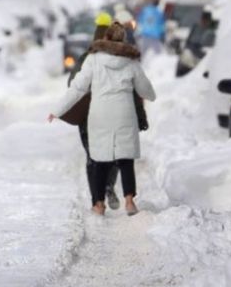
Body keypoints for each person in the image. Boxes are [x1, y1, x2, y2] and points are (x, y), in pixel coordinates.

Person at [49, 22, 156, 216]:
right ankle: (130, 201)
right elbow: (145, 89)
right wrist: (152, 95)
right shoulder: (131, 61)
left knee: (99, 159)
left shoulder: (93, 59)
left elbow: (77, 87)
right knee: (125, 160)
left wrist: (57, 110)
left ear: (105, 38)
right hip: (124, 114)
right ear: (122, 40)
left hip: (100, 114)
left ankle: (98, 204)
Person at [68, 12, 120, 210]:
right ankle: (108, 186)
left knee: (92, 158)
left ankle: (97, 201)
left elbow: (71, 84)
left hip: (88, 117)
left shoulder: (84, 59)